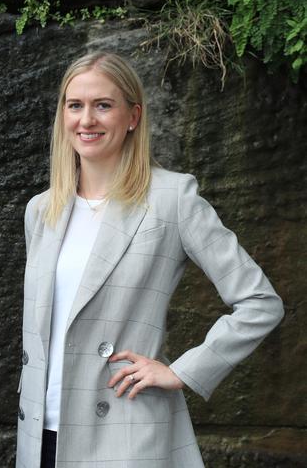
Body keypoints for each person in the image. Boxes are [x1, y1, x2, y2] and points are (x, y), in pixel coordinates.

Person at [16, 52, 284, 468]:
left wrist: (180, 371)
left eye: (103, 105)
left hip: (125, 433)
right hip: (39, 435)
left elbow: (260, 302)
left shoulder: (171, 199)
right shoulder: (41, 210)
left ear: (133, 116)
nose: (86, 120)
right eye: (75, 105)